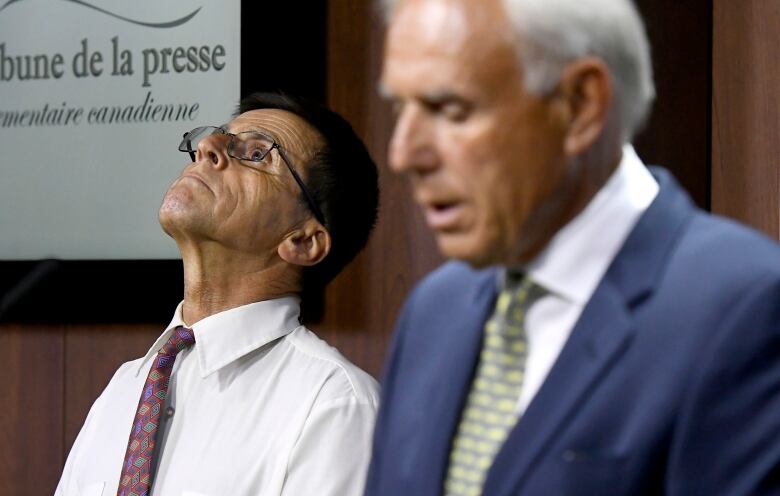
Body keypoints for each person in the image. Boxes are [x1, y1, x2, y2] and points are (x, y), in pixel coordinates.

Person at [366, 0, 780, 495]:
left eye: (450, 109)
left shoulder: (746, 307)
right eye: (399, 107)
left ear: (580, 105)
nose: (403, 153)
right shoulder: (434, 311)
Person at [55, 92, 380, 496]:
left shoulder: (335, 404)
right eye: (218, 138)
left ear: (303, 240)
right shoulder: (123, 389)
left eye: (257, 153)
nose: (207, 147)